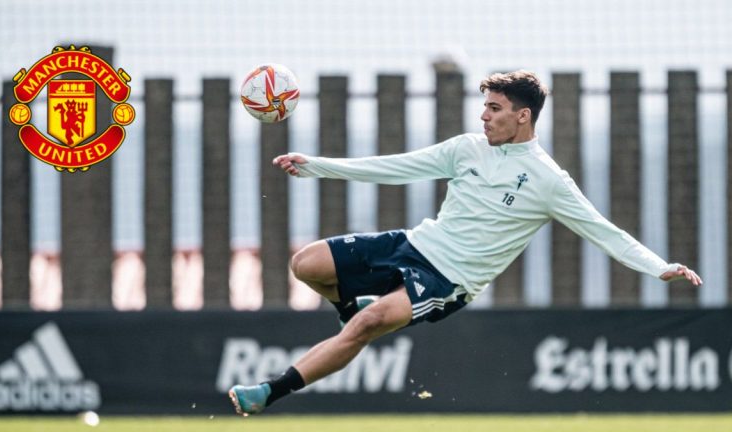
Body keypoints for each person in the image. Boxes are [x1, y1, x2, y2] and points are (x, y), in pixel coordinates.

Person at [228, 70, 703, 416]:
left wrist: (659, 266)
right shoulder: (466, 148)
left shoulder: (549, 181)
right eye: (485, 107)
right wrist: (316, 165)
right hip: (414, 245)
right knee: (306, 264)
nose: (484, 117)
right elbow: (396, 166)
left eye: (494, 109)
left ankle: (269, 392)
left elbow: (603, 230)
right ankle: (350, 308)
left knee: (369, 323)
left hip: (448, 279)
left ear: (522, 116)